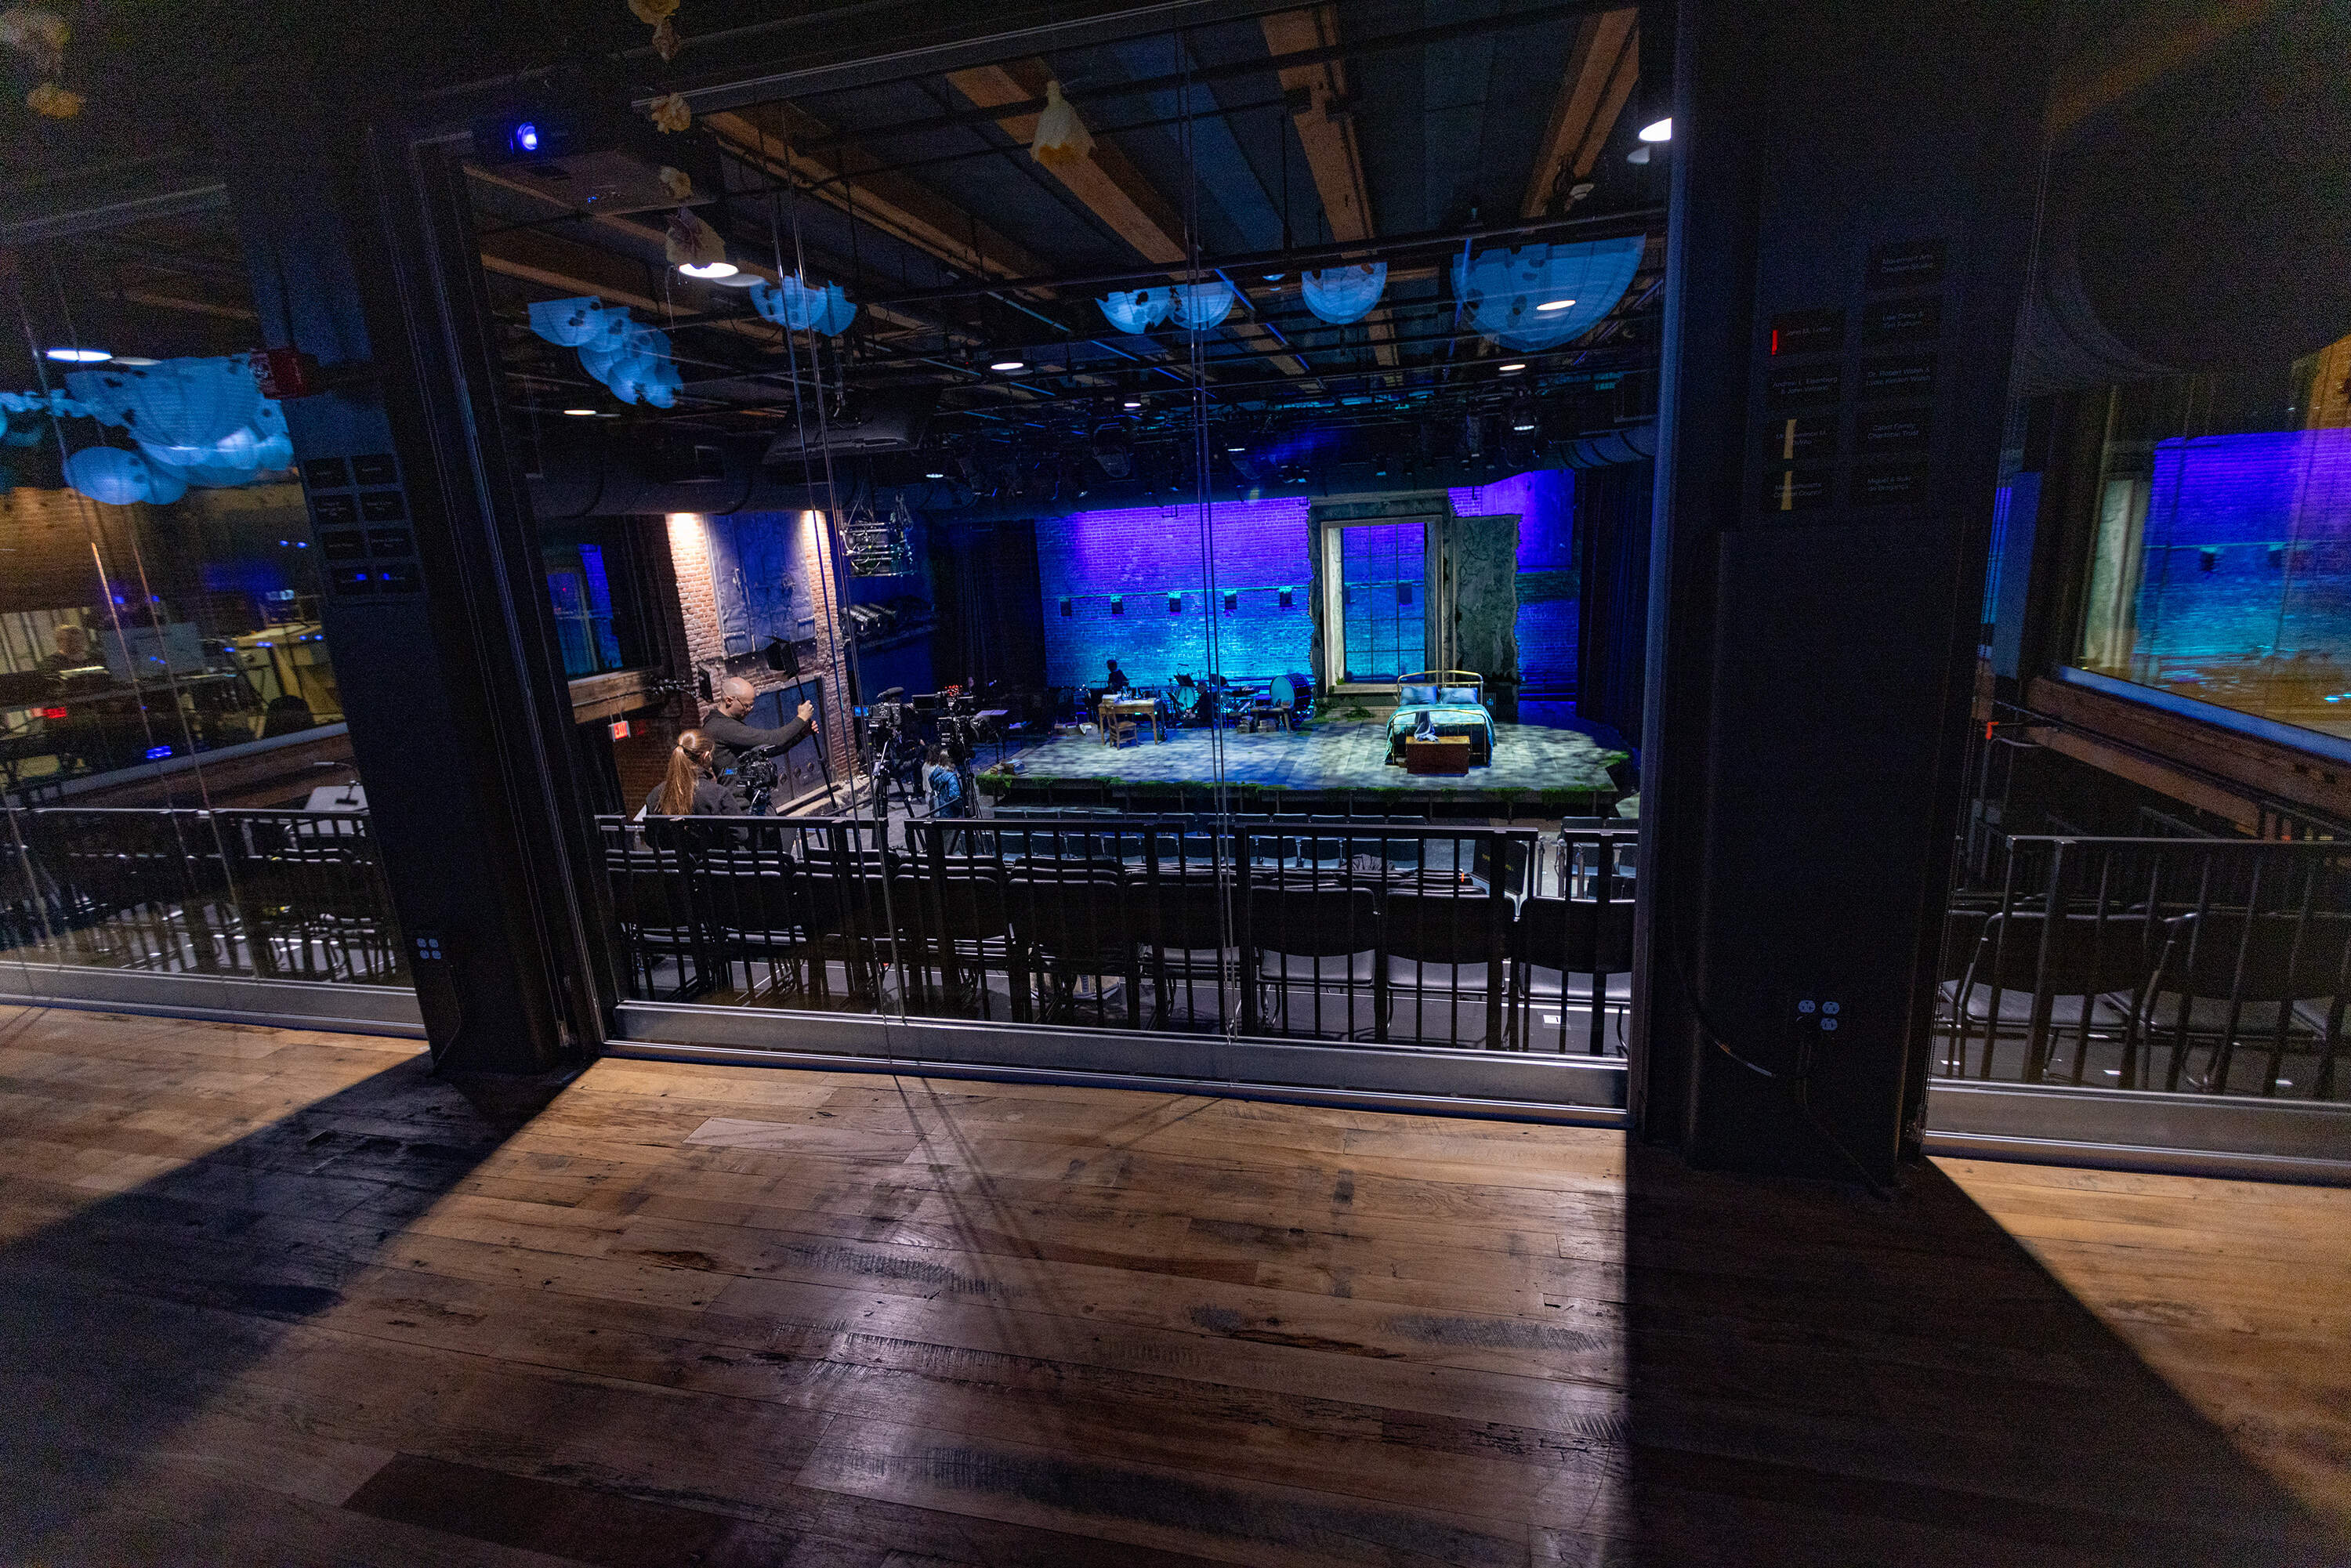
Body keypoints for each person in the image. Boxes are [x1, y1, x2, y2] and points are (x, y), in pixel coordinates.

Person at [701, 676, 813, 775]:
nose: (750, 710)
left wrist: (801, 735)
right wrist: (802, 718)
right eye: (746, 706)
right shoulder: (722, 728)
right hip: (737, 791)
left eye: (752, 705)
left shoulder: (727, 723)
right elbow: (775, 739)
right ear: (729, 700)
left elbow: (767, 749)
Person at [642, 730, 741, 818]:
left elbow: (651, 831)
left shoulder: (655, 795)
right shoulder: (719, 795)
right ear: (706, 756)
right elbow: (740, 831)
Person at [923, 744, 969, 819]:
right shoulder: (951, 778)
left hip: (939, 811)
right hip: (951, 814)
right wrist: (963, 804)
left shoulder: (935, 773)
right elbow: (955, 798)